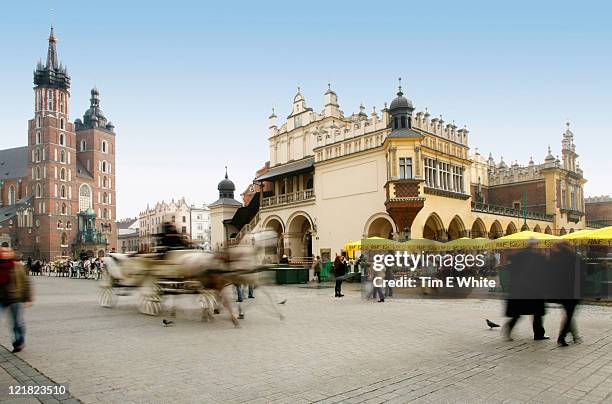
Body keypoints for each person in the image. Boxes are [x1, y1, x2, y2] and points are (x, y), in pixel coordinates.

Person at [502, 239, 549, 341]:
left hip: (519, 289)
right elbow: (543, 273)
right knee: (537, 313)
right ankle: (538, 335)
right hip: (534, 290)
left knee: (517, 312)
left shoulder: (517, 255)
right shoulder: (538, 256)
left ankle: (509, 327)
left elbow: (510, 269)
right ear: (535, 245)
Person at [0, 244, 33, 353]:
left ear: (11, 254)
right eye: (2, 252)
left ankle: (19, 341)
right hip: (1, 298)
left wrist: (28, 297)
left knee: (16, 323)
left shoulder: (17, 266)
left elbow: (26, 282)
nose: (5, 254)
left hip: (15, 298)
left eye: (7, 252)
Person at [548, 241, 581, 346]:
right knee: (569, 314)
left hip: (560, 291)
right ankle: (562, 338)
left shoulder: (553, 258)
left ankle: (574, 336)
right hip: (571, 291)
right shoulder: (573, 257)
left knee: (568, 313)